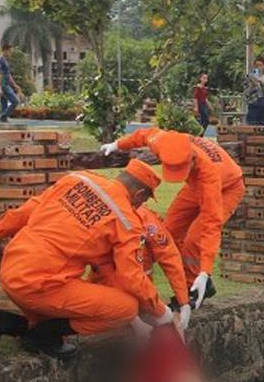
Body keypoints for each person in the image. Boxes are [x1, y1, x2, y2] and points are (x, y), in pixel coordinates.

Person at [0, 159, 176, 360]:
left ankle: (0, 321)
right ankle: (43, 338)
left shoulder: (77, 179)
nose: (141, 205)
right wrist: (160, 311)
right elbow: (131, 275)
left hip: (12, 267)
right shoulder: (126, 221)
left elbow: (27, 209)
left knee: (53, 314)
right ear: (139, 194)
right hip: (41, 284)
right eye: (145, 200)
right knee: (126, 308)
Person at [105, 127, 245, 305]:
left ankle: (192, 291)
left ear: (192, 160)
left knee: (195, 240)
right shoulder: (163, 142)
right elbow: (144, 135)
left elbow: (211, 224)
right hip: (194, 187)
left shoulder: (210, 176)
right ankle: (170, 284)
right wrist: (117, 144)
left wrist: (205, 272)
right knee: (167, 232)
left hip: (228, 188)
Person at [90, 204, 191, 327]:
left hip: (143, 291)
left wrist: (184, 302)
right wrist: (133, 320)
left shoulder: (148, 221)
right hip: (108, 292)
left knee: (166, 324)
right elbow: (104, 271)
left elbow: (169, 256)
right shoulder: (106, 223)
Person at [0, 43, 22, 123]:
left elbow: (8, 75)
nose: (11, 53)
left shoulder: (5, 61)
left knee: (4, 103)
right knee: (15, 101)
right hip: (3, 85)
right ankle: (3, 117)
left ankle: (3, 119)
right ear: (5, 50)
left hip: (6, 83)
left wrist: (14, 85)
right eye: (10, 51)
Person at [243, 55, 264, 125]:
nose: (258, 67)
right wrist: (253, 86)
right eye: (256, 65)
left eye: (260, 65)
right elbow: (245, 93)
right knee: (252, 127)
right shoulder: (249, 77)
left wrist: (262, 84)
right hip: (253, 104)